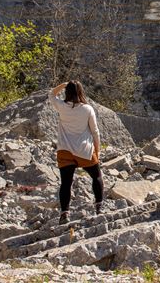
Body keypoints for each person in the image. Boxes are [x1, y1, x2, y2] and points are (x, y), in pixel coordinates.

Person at [48, 80, 104, 225]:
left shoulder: (61, 106)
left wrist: (63, 84)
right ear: (81, 92)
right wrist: (97, 150)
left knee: (66, 183)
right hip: (84, 150)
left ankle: (64, 214)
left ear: (67, 92)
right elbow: (95, 131)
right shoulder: (87, 109)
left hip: (65, 150)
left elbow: (51, 94)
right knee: (96, 176)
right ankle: (99, 207)